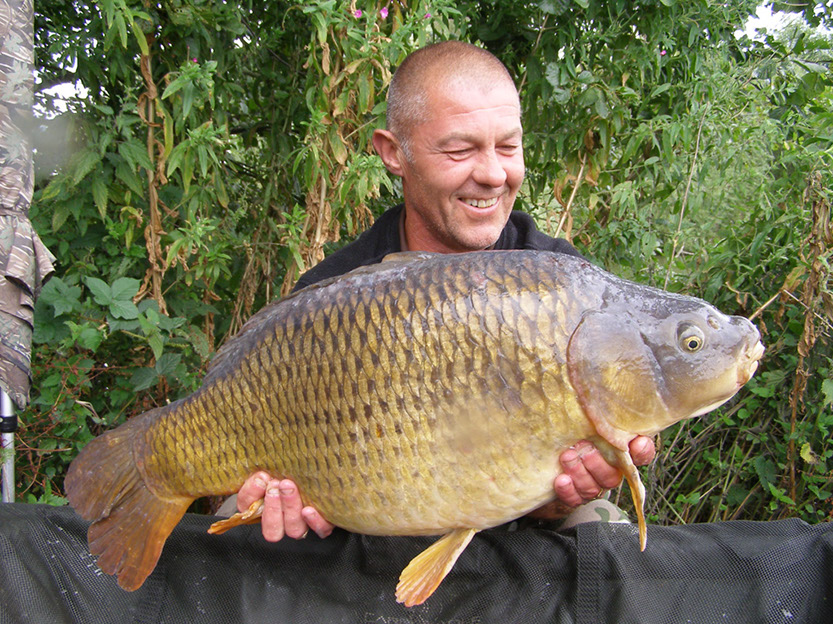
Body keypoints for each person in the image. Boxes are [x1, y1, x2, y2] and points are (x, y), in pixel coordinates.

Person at [228, 41, 656, 542]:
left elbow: (565, 481)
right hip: (372, 532)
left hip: (511, 536)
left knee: (602, 527)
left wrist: (563, 496)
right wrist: (264, 501)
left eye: (509, 147)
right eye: (460, 150)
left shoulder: (563, 288)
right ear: (394, 153)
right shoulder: (329, 300)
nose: (494, 174)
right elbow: (251, 478)